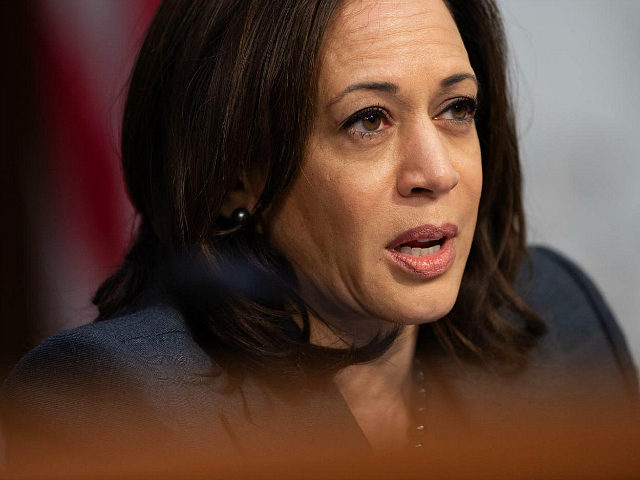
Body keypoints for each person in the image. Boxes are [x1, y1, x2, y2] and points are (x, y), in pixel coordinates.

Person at [2, 0, 638, 476]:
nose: (436, 172)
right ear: (235, 178)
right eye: (368, 121)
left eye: (456, 110)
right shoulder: (114, 403)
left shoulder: (561, 319)